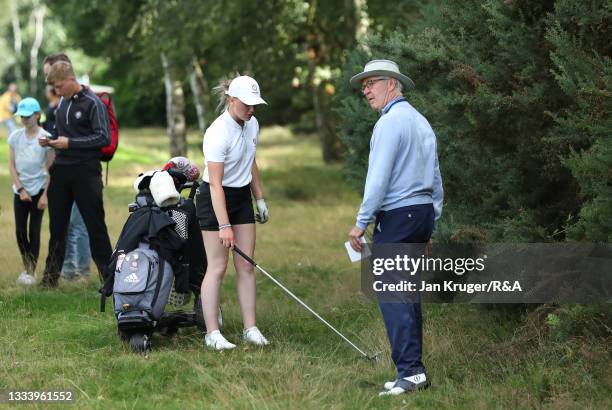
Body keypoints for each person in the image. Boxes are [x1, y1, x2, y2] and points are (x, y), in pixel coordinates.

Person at [347, 60, 443, 396]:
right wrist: (432, 222)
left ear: (392, 84)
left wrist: (361, 224)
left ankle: (410, 372)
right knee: (408, 294)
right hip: (420, 214)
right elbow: (435, 179)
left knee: (393, 294)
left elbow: (378, 179)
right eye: (364, 86)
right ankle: (413, 370)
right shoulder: (421, 121)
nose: (366, 90)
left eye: (372, 83)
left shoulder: (389, 124)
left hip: (399, 216)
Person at [196, 75, 270, 350]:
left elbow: (251, 163)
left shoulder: (252, 125)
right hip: (215, 197)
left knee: (246, 264)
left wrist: (259, 198)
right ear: (232, 100)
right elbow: (215, 184)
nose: (251, 110)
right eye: (247, 104)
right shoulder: (217, 132)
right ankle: (212, 333)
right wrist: (224, 225)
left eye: (255, 105)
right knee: (217, 266)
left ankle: (250, 328)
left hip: (240, 196)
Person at [38, 61, 113, 288]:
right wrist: (50, 138)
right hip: (61, 171)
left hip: (86, 173)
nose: (57, 92)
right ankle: (49, 281)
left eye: (59, 87)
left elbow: (103, 138)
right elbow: (62, 132)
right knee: (57, 228)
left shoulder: (93, 103)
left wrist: (69, 143)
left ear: (71, 80)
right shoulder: (62, 102)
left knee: (95, 227)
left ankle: (110, 280)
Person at [42, 54, 93, 282]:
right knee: (67, 223)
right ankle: (69, 269)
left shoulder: (84, 101)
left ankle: (80, 271)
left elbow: (95, 137)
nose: (49, 82)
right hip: (62, 169)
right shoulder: (61, 103)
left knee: (78, 222)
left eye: (50, 75)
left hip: (81, 171)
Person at [8, 97, 55, 285]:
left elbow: (51, 170)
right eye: (21, 116)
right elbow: (11, 166)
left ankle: (31, 271)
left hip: (39, 191)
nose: (24, 120)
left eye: (28, 116)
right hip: (21, 190)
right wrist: (20, 189)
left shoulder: (46, 138)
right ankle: (26, 266)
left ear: (38, 115)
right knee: (20, 231)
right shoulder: (15, 137)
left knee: (34, 231)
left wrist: (45, 195)